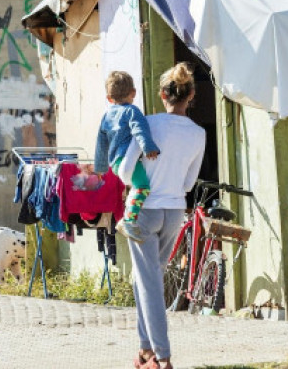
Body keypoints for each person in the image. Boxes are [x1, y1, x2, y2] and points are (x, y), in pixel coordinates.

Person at [119, 63, 206, 369]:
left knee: (150, 283)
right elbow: (188, 183)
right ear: (191, 95)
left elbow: (125, 170)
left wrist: (142, 180)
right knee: (146, 279)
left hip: (143, 210)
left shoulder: (148, 124)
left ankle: (162, 355)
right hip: (173, 212)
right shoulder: (199, 133)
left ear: (162, 94)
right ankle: (145, 350)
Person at [94, 71, 161, 243]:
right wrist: (149, 148)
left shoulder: (106, 116)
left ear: (109, 98)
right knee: (143, 187)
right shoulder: (132, 111)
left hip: (116, 164)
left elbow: (101, 143)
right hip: (129, 159)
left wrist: (100, 169)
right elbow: (140, 130)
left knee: (136, 187)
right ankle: (129, 220)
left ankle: (131, 216)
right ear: (133, 93)